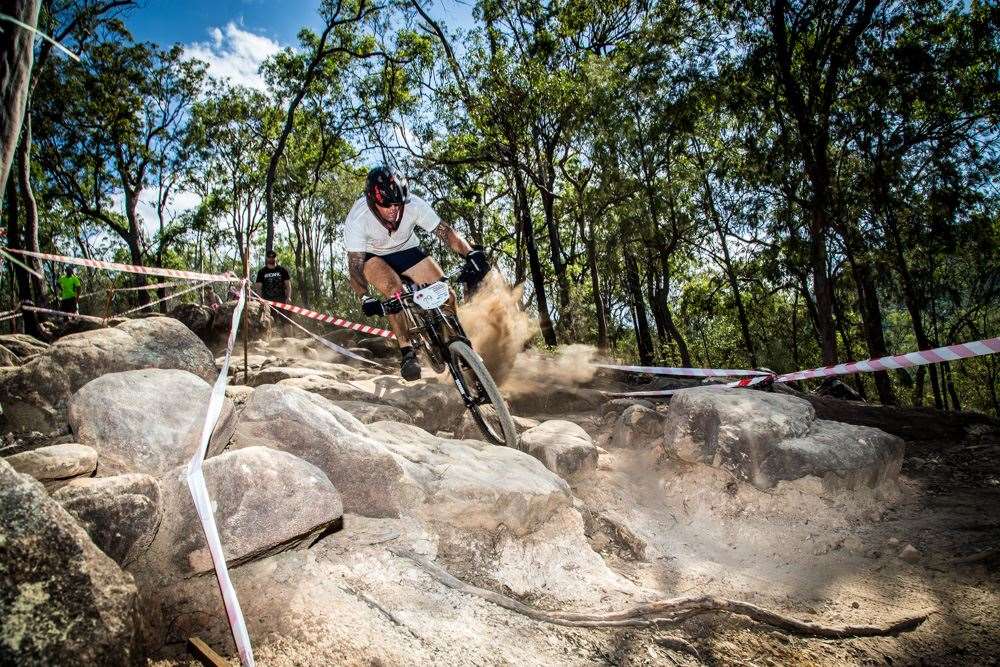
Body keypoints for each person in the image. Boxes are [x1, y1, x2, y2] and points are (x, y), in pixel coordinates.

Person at [345, 165, 489, 381]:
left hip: (407, 250)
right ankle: (407, 352)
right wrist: (364, 297)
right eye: (387, 204)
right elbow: (355, 267)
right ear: (372, 201)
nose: (394, 209)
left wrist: (470, 253)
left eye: (398, 204)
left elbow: (446, 233)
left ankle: (457, 340)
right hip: (373, 256)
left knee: (445, 291)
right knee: (395, 294)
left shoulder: (414, 205)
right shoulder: (358, 219)